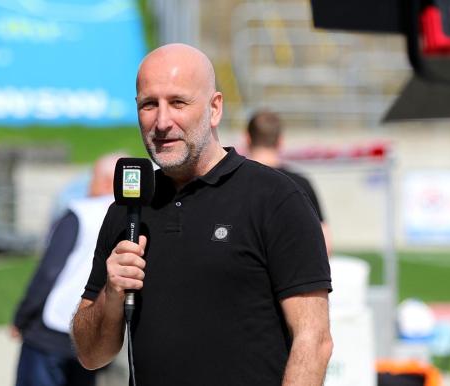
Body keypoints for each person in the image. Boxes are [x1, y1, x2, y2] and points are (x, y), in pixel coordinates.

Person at [72, 43, 332, 386]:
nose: (162, 122)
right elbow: (91, 355)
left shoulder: (275, 198)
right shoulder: (127, 209)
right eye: (149, 104)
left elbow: (314, 342)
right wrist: (112, 292)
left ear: (214, 108)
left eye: (178, 102)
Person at [11, 153, 125, 386]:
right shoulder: (134, 219)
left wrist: (23, 317)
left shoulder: (80, 211)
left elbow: (49, 271)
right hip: (95, 332)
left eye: (92, 178)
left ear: (105, 181)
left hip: (53, 326)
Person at [246, 110, 332, 256]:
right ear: (280, 141)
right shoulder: (300, 184)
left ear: (247, 138)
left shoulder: (233, 181)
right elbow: (325, 244)